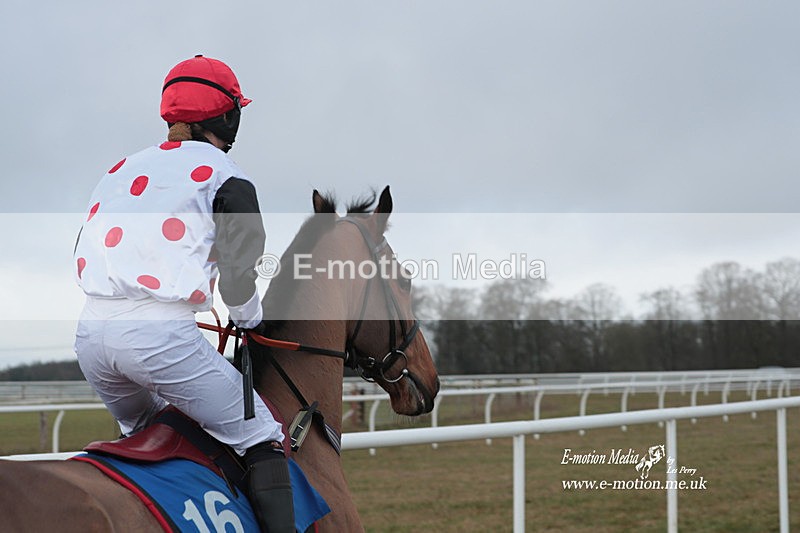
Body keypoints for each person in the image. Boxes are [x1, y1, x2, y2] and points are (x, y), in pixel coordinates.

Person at [73, 55, 294, 533]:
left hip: (90, 336)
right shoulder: (226, 174)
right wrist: (250, 320)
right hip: (158, 340)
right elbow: (238, 273)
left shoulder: (120, 168)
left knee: (152, 429)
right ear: (228, 117)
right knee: (261, 434)